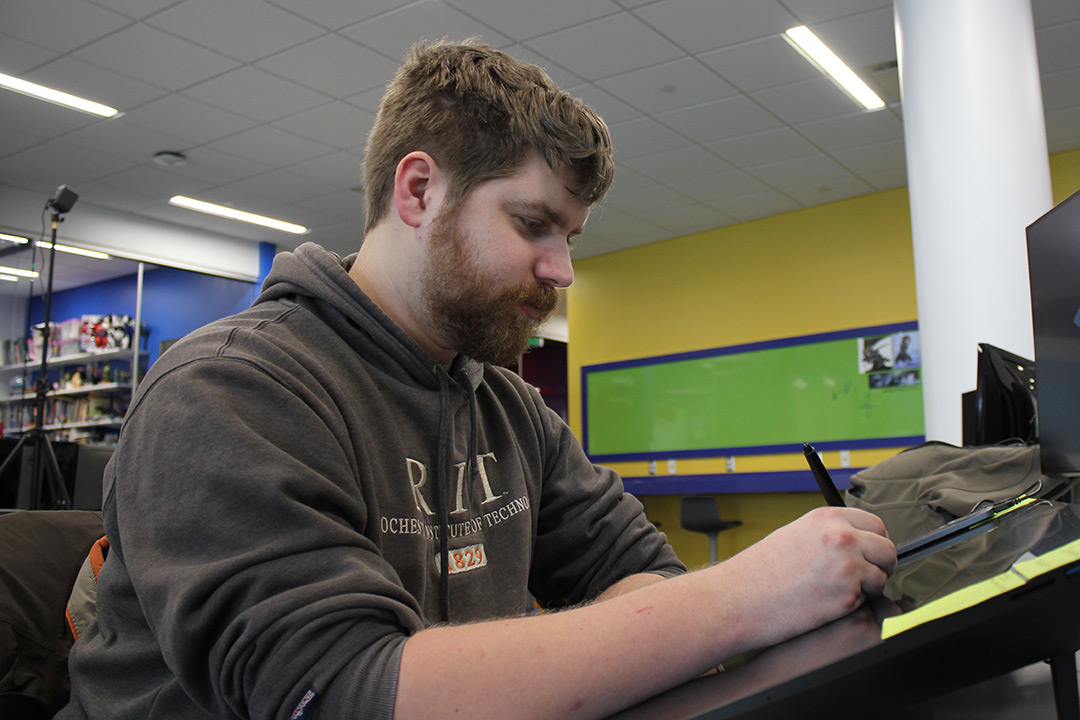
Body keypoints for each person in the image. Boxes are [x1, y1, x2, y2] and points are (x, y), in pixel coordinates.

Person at [61, 40, 896, 720]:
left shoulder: (507, 408)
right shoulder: (229, 392)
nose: (562, 270)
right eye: (534, 225)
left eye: (569, 236)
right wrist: (745, 598)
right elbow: (348, 695)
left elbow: (638, 574)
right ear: (420, 190)